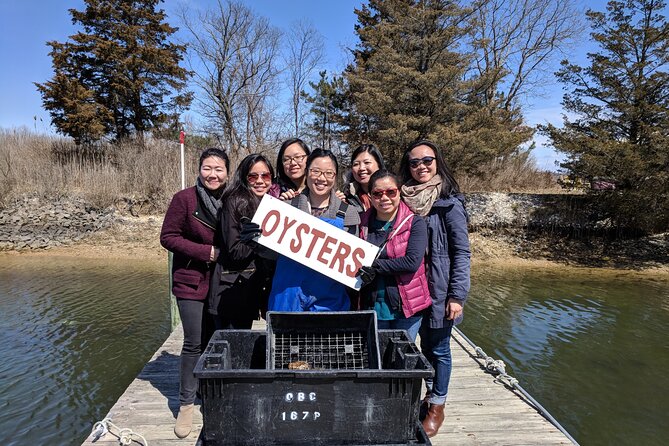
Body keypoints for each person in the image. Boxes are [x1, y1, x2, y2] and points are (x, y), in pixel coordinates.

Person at [399, 140, 471, 438]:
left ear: (437, 162)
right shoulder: (403, 200)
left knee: (439, 349)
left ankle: (437, 405)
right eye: (414, 162)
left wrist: (457, 295)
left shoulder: (450, 204)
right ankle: (417, 397)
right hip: (413, 289)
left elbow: (462, 253)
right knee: (411, 346)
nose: (421, 167)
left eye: (427, 160)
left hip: (441, 291)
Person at [159, 147, 229, 439]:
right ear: (199, 170)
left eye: (219, 169)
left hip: (221, 283)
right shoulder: (184, 199)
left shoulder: (232, 200)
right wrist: (206, 252)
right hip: (190, 281)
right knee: (193, 342)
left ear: (227, 172)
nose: (213, 174)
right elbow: (168, 237)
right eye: (207, 168)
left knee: (217, 340)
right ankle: (186, 403)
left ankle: (211, 393)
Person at [267, 149, 360, 312]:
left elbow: (352, 265)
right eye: (315, 171)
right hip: (287, 297)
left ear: (335, 176)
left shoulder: (348, 213)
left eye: (329, 173)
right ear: (306, 172)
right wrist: (256, 237)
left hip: (329, 300)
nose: (321, 178)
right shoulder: (286, 207)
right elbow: (270, 253)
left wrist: (363, 271)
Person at [356, 170, 431, 342]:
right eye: (377, 193)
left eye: (391, 192)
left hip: (407, 307)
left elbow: (411, 262)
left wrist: (376, 266)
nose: (384, 198)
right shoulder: (360, 223)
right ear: (370, 196)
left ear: (399, 191)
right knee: (377, 359)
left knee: (402, 359)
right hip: (373, 305)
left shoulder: (415, 222)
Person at [209, 154, 276, 330]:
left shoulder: (268, 204)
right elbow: (235, 251)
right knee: (231, 350)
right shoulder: (235, 201)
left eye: (265, 175)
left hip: (251, 290)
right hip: (231, 291)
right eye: (253, 176)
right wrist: (256, 241)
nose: (260, 181)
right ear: (244, 177)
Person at [343, 144, 386, 213]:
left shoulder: (393, 193)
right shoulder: (347, 198)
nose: (361, 168)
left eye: (367, 162)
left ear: (379, 165)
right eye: (356, 164)